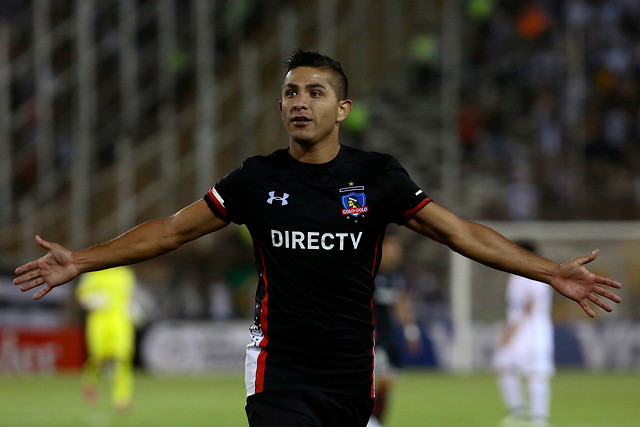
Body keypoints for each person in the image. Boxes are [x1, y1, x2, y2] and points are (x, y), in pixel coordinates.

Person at [14, 49, 622, 427]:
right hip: (279, 367)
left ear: (343, 109)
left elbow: (459, 232)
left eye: (315, 92)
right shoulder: (255, 179)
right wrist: (83, 260)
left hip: (351, 372)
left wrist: (548, 271)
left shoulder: (377, 176)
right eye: (290, 92)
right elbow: (172, 231)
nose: (299, 102)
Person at [493, 241, 554, 427]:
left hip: (533, 330)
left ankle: (539, 419)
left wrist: (511, 331)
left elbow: (530, 305)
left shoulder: (537, 275)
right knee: (503, 365)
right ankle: (517, 412)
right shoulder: (517, 275)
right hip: (518, 328)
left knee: (537, 374)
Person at [368, 234, 421, 427]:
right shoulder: (368, 271)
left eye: (398, 250)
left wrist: (411, 332)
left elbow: (401, 305)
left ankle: (376, 420)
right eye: (392, 248)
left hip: (386, 338)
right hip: (368, 337)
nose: (396, 253)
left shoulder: (395, 277)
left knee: (387, 380)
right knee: (372, 379)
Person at [75, 266, 136, 412]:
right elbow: (82, 295)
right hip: (99, 321)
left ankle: (122, 399)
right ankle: (90, 383)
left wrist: (133, 309)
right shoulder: (94, 273)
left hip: (120, 321)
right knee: (98, 357)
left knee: (122, 358)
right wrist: (92, 300)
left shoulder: (125, 274)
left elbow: (130, 296)